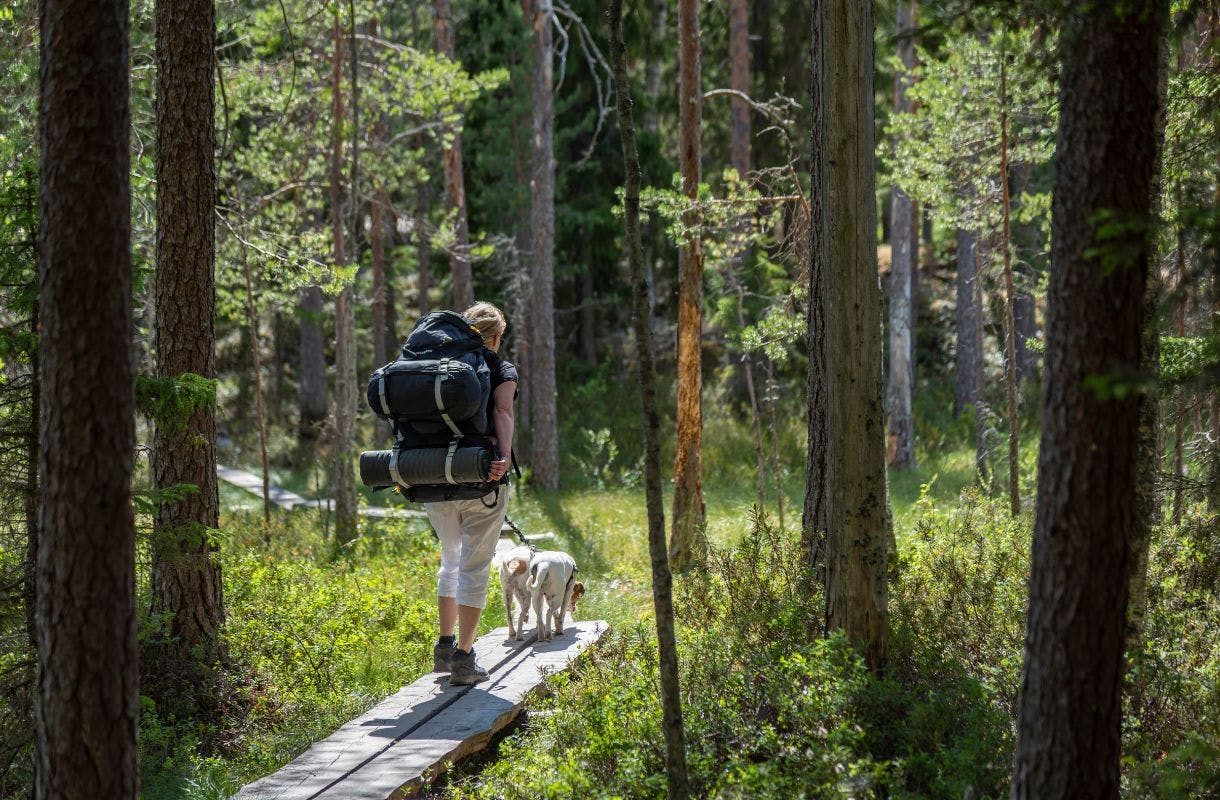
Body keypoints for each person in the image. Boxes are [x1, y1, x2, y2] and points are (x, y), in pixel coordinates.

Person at [427, 301, 517, 685]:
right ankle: (464, 659)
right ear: (496, 336)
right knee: (474, 567)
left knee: (450, 561)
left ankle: (444, 648)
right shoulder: (499, 367)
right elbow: (502, 413)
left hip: (433, 478)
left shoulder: (434, 365)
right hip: (481, 477)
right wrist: (505, 457)